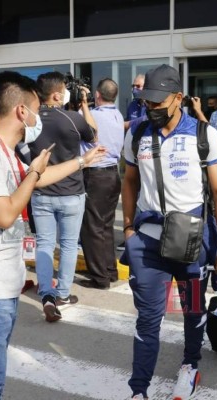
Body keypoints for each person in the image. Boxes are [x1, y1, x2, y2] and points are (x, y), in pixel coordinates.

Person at [0, 71, 105, 399]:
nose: (38, 118)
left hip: (0, 287)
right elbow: (5, 215)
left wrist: (81, 161)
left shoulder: (6, 151)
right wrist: (33, 171)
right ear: (21, 111)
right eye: (35, 109)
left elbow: (39, 180)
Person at [121, 64, 217, 400]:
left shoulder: (203, 134)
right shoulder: (137, 133)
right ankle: (138, 389)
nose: (151, 109)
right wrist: (128, 227)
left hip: (193, 241)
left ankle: (190, 365)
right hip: (147, 243)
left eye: (158, 102)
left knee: (194, 309)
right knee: (147, 319)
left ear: (179, 98)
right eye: (146, 102)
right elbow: (128, 182)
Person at [28, 71, 98, 322]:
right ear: (58, 94)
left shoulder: (31, 120)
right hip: (71, 192)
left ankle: (46, 293)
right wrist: (84, 105)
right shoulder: (72, 119)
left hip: (41, 191)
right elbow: (94, 136)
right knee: (68, 244)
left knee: (44, 243)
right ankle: (64, 295)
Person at [79, 78, 124, 289]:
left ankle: (100, 278)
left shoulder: (90, 115)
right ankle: (109, 270)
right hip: (113, 174)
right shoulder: (118, 115)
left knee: (92, 227)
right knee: (106, 225)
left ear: (97, 95)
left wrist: (82, 104)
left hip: (95, 174)